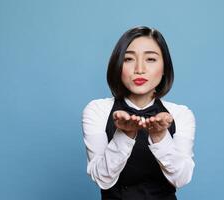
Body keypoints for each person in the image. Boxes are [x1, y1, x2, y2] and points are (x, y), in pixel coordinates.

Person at [82, 26, 196, 200]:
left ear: (165, 66)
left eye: (150, 59)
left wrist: (160, 137)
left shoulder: (180, 114)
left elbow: (181, 179)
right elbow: (101, 179)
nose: (139, 69)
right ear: (118, 65)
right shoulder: (97, 110)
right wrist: (124, 135)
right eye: (128, 59)